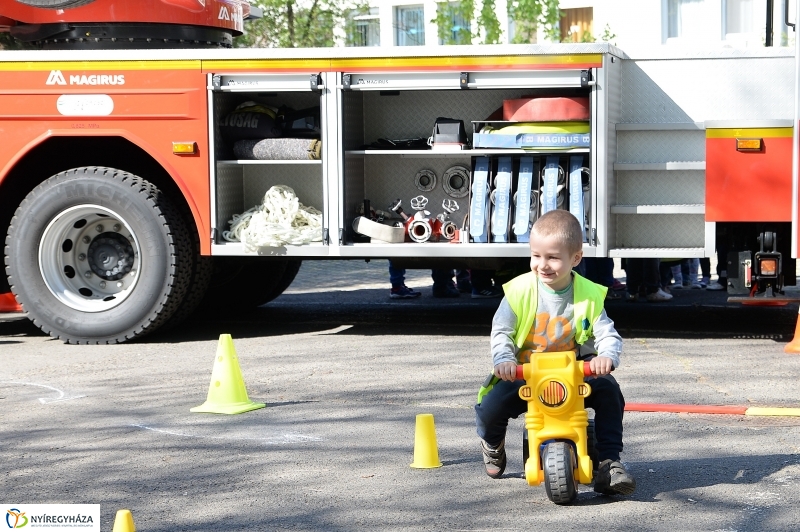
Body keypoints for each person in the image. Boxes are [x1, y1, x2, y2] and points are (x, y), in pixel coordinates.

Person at [474, 209, 636, 496]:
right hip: (526, 370)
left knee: (609, 391)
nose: (543, 265)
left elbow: (607, 333)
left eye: (553, 257)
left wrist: (606, 357)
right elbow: (502, 332)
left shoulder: (587, 294)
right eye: (536, 256)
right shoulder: (520, 291)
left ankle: (610, 461)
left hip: (573, 370)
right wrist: (504, 360)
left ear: (575, 258)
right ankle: (492, 442)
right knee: (490, 408)